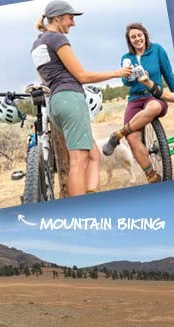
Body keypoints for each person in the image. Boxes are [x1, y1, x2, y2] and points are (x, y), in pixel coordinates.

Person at [31, 0, 132, 196]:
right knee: (78, 161)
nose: (73, 23)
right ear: (58, 18)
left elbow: (44, 80)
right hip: (71, 99)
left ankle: (92, 193)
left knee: (94, 154)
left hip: (56, 104)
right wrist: (117, 73)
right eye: (70, 18)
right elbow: (82, 76)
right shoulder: (57, 39)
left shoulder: (37, 44)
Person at [102, 23, 174, 183]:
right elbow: (125, 83)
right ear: (129, 40)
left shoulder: (157, 50)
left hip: (154, 95)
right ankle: (152, 176)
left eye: (139, 35)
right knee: (133, 138)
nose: (137, 39)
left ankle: (118, 134)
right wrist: (128, 77)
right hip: (135, 98)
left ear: (145, 35)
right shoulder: (126, 58)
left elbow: (169, 75)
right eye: (133, 37)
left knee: (154, 107)